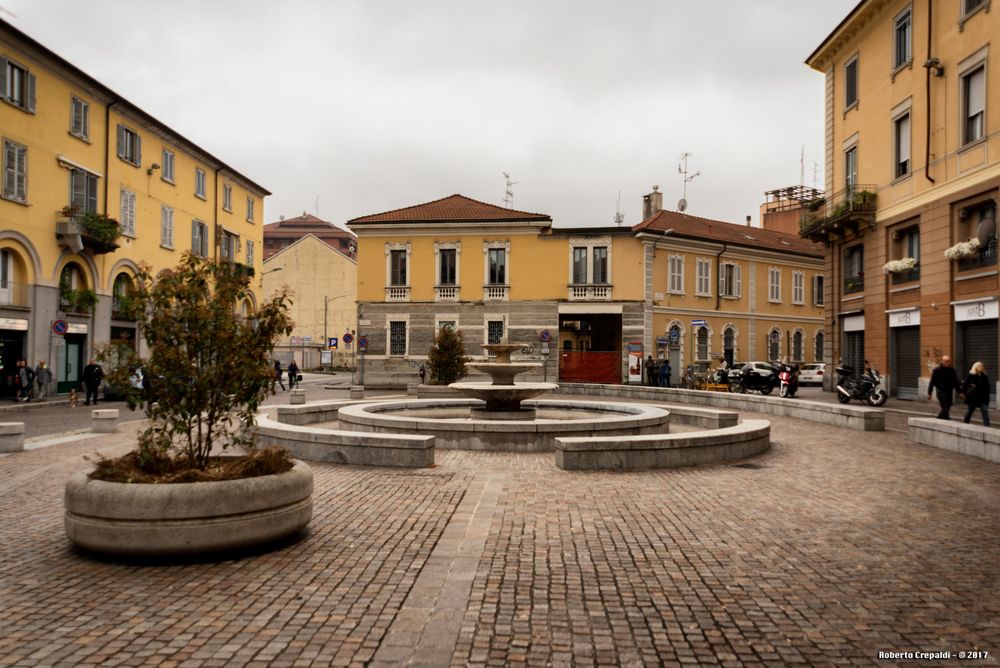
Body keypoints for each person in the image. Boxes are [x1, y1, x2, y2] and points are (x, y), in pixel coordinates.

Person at [927, 355, 961, 420]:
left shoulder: (952, 370)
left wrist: (960, 392)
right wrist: (929, 393)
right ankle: (946, 419)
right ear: (942, 361)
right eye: (946, 361)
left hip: (949, 391)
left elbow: (955, 382)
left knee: (949, 405)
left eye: (949, 361)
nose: (948, 363)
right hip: (940, 391)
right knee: (945, 406)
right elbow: (932, 382)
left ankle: (939, 418)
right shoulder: (937, 370)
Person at [961, 361, 991, 427]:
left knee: (985, 411)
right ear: (976, 367)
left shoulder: (984, 376)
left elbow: (987, 387)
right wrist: (963, 393)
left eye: (982, 366)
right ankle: (966, 422)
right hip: (973, 397)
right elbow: (965, 385)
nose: (982, 367)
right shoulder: (971, 375)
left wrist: (987, 397)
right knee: (970, 411)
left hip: (983, 397)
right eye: (980, 366)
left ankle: (987, 426)